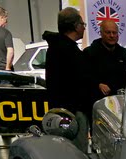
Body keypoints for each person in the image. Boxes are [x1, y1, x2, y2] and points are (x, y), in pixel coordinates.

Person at [43, 7, 94, 150]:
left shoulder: (56, 47)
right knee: (76, 151)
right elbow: (77, 81)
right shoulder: (68, 51)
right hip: (73, 111)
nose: (84, 28)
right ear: (75, 26)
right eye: (82, 24)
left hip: (63, 110)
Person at [84, 20, 126, 101]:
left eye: (114, 33)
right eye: (108, 32)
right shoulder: (89, 53)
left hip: (120, 101)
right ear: (101, 33)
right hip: (96, 101)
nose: (112, 35)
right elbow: (84, 76)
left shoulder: (125, 54)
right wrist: (97, 84)